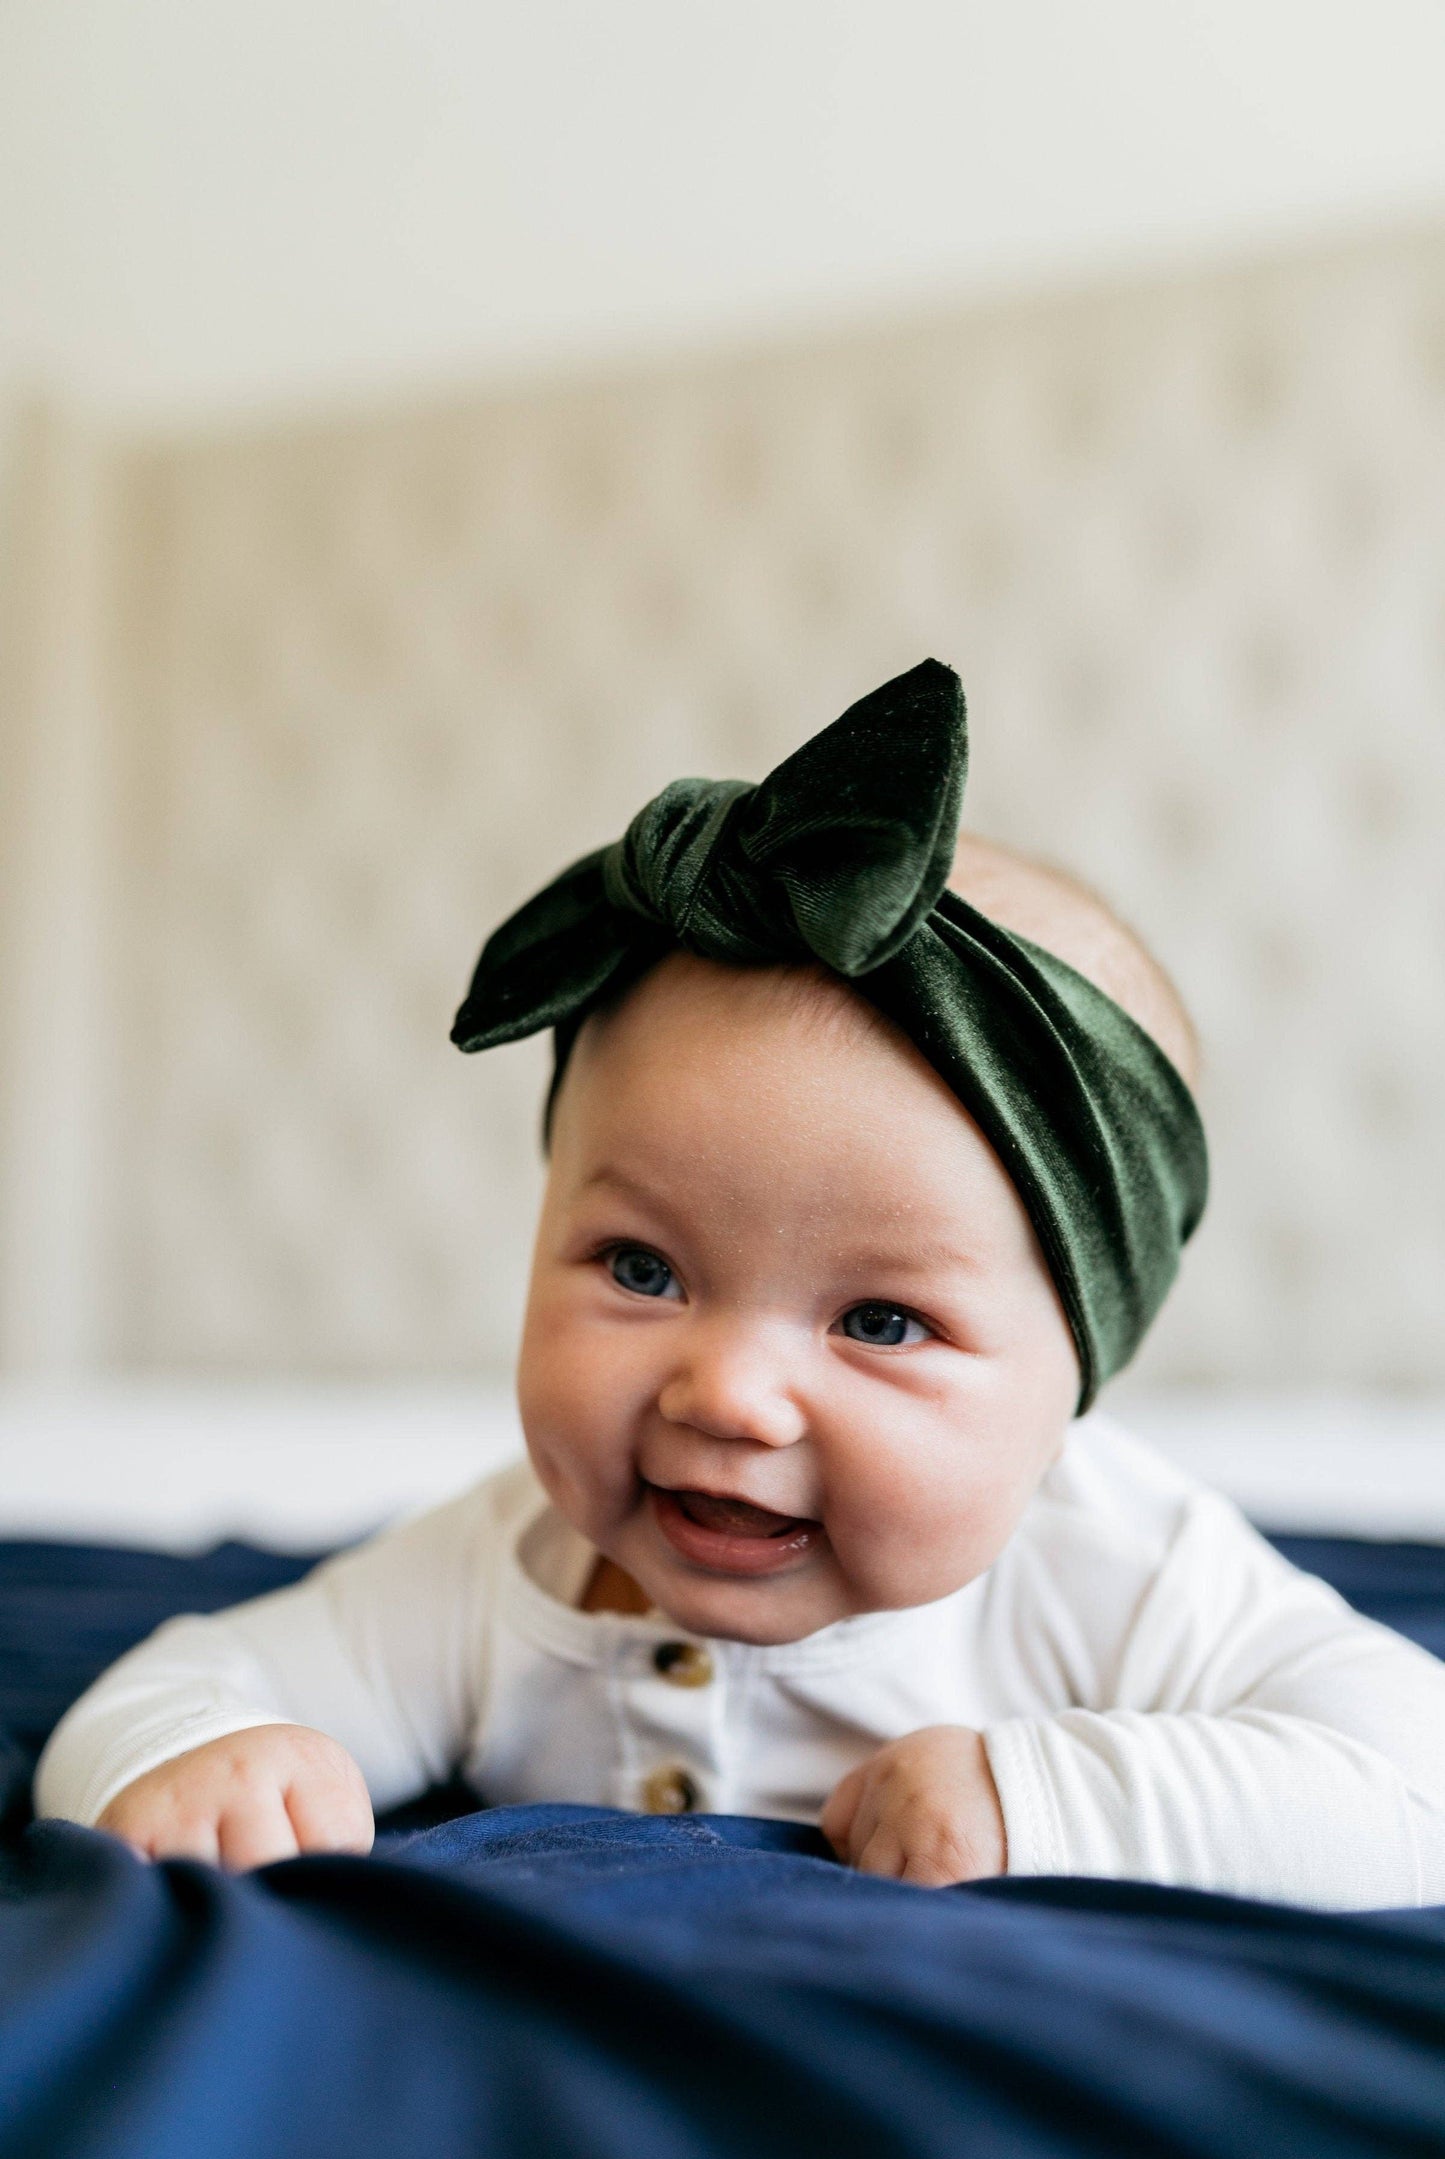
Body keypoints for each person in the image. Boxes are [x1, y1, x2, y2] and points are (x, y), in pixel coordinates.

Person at [36, 662, 1445, 1904]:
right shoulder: (504, 1569)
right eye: (642, 1269)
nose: (727, 1392)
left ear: (1072, 1377)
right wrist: (195, 1757)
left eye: (880, 1321)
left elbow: (1411, 1791)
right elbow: (187, 1682)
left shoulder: (1119, 1575)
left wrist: (1048, 1796)